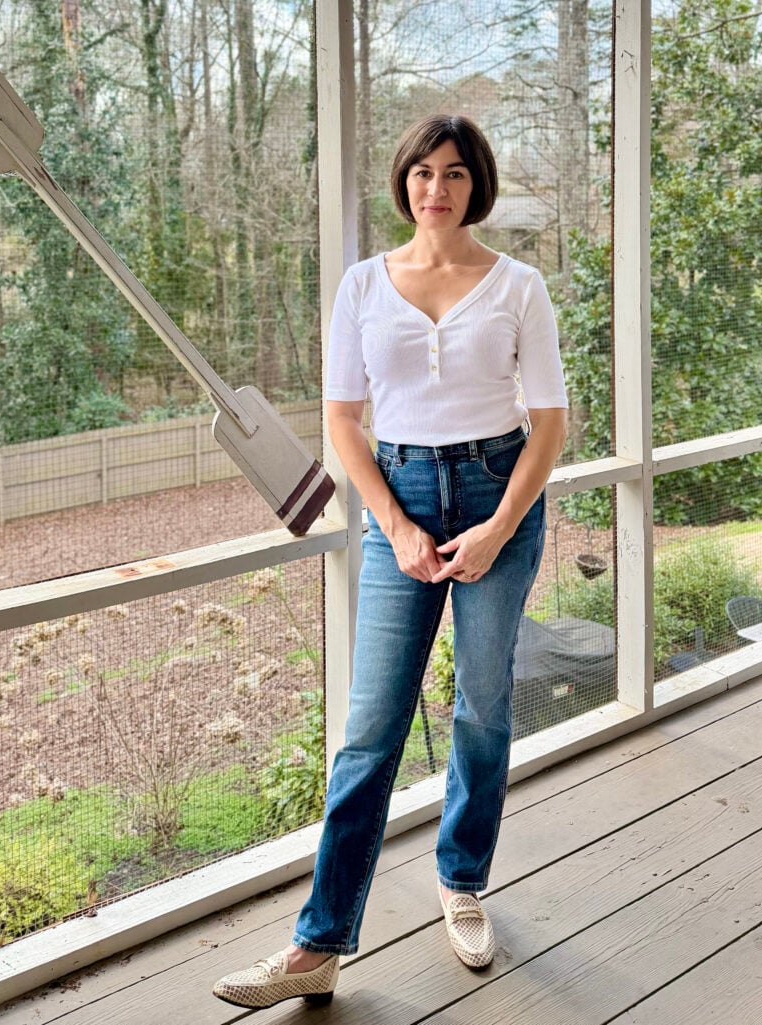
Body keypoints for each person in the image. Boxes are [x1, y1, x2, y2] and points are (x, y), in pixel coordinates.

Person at [212, 114, 568, 1010]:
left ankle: (462, 880)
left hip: (497, 501)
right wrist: (398, 528)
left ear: (473, 184)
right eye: (419, 172)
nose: (434, 188)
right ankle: (318, 944)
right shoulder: (364, 285)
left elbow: (549, 425)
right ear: (402, 182)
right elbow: (343, 423)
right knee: (369, 730)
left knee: (482, 710)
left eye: (452, 173)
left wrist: (493, 529)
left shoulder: (518, 286)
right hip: (397, 499)